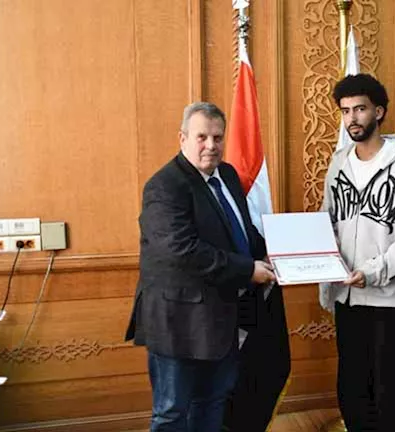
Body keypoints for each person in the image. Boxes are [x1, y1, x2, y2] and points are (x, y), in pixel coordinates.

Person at [125, 102, 276, 432]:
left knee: (213, 401)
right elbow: (181, 251)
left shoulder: (228, 176)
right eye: (202, 137)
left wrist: (272, 253)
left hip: (222, 316)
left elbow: (240, 231)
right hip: (178, 321)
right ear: (182, 138)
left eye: (218, 137)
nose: (211, 145)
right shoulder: (164, 186)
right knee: (171, 411)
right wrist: (247, 270)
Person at [319, 73, 395, 432]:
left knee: (389, 392)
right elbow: (326, 222)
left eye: (360, 109)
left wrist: (374, 271)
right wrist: (316, 263)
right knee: (352, 389)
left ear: (378, 112)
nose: (352, 118)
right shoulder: (338, 164)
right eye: (345, 111)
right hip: (347, 296)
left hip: (388, 299)